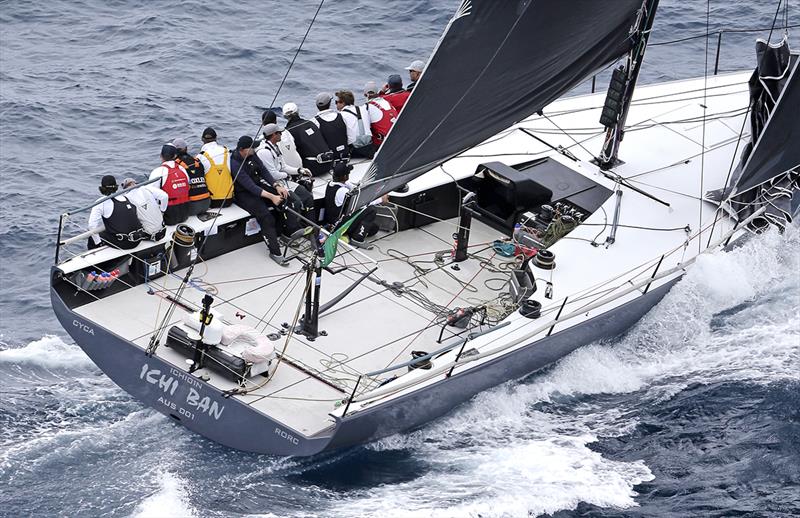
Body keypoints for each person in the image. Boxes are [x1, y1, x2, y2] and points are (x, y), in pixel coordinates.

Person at [230, 135, 293, 265]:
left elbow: (264, 171)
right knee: (266, 217)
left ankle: (284, 235)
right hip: (244, 194)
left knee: (285, 200)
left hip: (259, 186)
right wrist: (272, 197)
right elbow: (250, 186)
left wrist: (277, 186)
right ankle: (275, 252)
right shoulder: (235, 163)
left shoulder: (252, 155)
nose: (254, 149)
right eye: (251, 147)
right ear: (242, 149)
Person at [256, 123, 316, 221]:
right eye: (280, 133)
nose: (281, 134)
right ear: (274, 134)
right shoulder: (264, 152)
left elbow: (283, 166)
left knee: (307, 196)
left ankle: (311, 227)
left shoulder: (275, 147)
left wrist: (299, 170)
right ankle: (293, 229)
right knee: (295, 202)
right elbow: (273, 175)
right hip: (273, 184)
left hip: (284, 181)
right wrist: (287, 175)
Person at [323, 162, 387, 245]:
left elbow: (354, 188)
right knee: (371, 210)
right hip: (337, 224)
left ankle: (349, 234)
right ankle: (357, 239)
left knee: (374, 228)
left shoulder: (332, 183)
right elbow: (362, 202)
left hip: (334, 219)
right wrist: (381, 199)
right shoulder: (342, 191)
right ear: (345, 176)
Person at [87, 175, 144, 250]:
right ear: (116, 187)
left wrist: (99, 243)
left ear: (102, 188)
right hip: (137, 240)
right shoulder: (126, 198)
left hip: (123, 244)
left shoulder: (101, 202)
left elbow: (91, 226)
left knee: (92, 238)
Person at [283, 101, 333, 177]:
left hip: (313, 169)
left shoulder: (288, 131)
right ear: (298, 111)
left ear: (285, 116)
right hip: (329, 163)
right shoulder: (311, 123)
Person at [149, 143, 190, 225]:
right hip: (185, 213)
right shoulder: (182, 169)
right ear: (175, 156)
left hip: (169, 217)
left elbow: (150, 195)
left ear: (161, 156)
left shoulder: (157, 171)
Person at [197, 127, 234, 207]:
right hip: (229, 199)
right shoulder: (226, 151)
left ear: (202, 139)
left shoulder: (201, 156)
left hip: (212, 201)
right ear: (216, 138)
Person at [173, 137, 210, 216]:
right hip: (207, 203)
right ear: (186, 149)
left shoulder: (175, 165)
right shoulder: (197, 161)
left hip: (192, 206)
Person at [336, 89, 374, 159]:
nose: (336, 104)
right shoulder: (364, 109)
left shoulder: (341, 115)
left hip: (355, 150)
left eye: (336, 102)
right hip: (369, 146)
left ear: (342, 103)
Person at [312, 92, 349, 160]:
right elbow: (350, 137)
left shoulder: (314, 121)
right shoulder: (341, 116)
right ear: (329, 103)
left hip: (329, 159)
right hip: (345, 155)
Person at [364, 81, 398, 149]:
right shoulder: (387, 102)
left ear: (365, 95)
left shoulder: (368, 107)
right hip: (396, 140)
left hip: (382, 144)